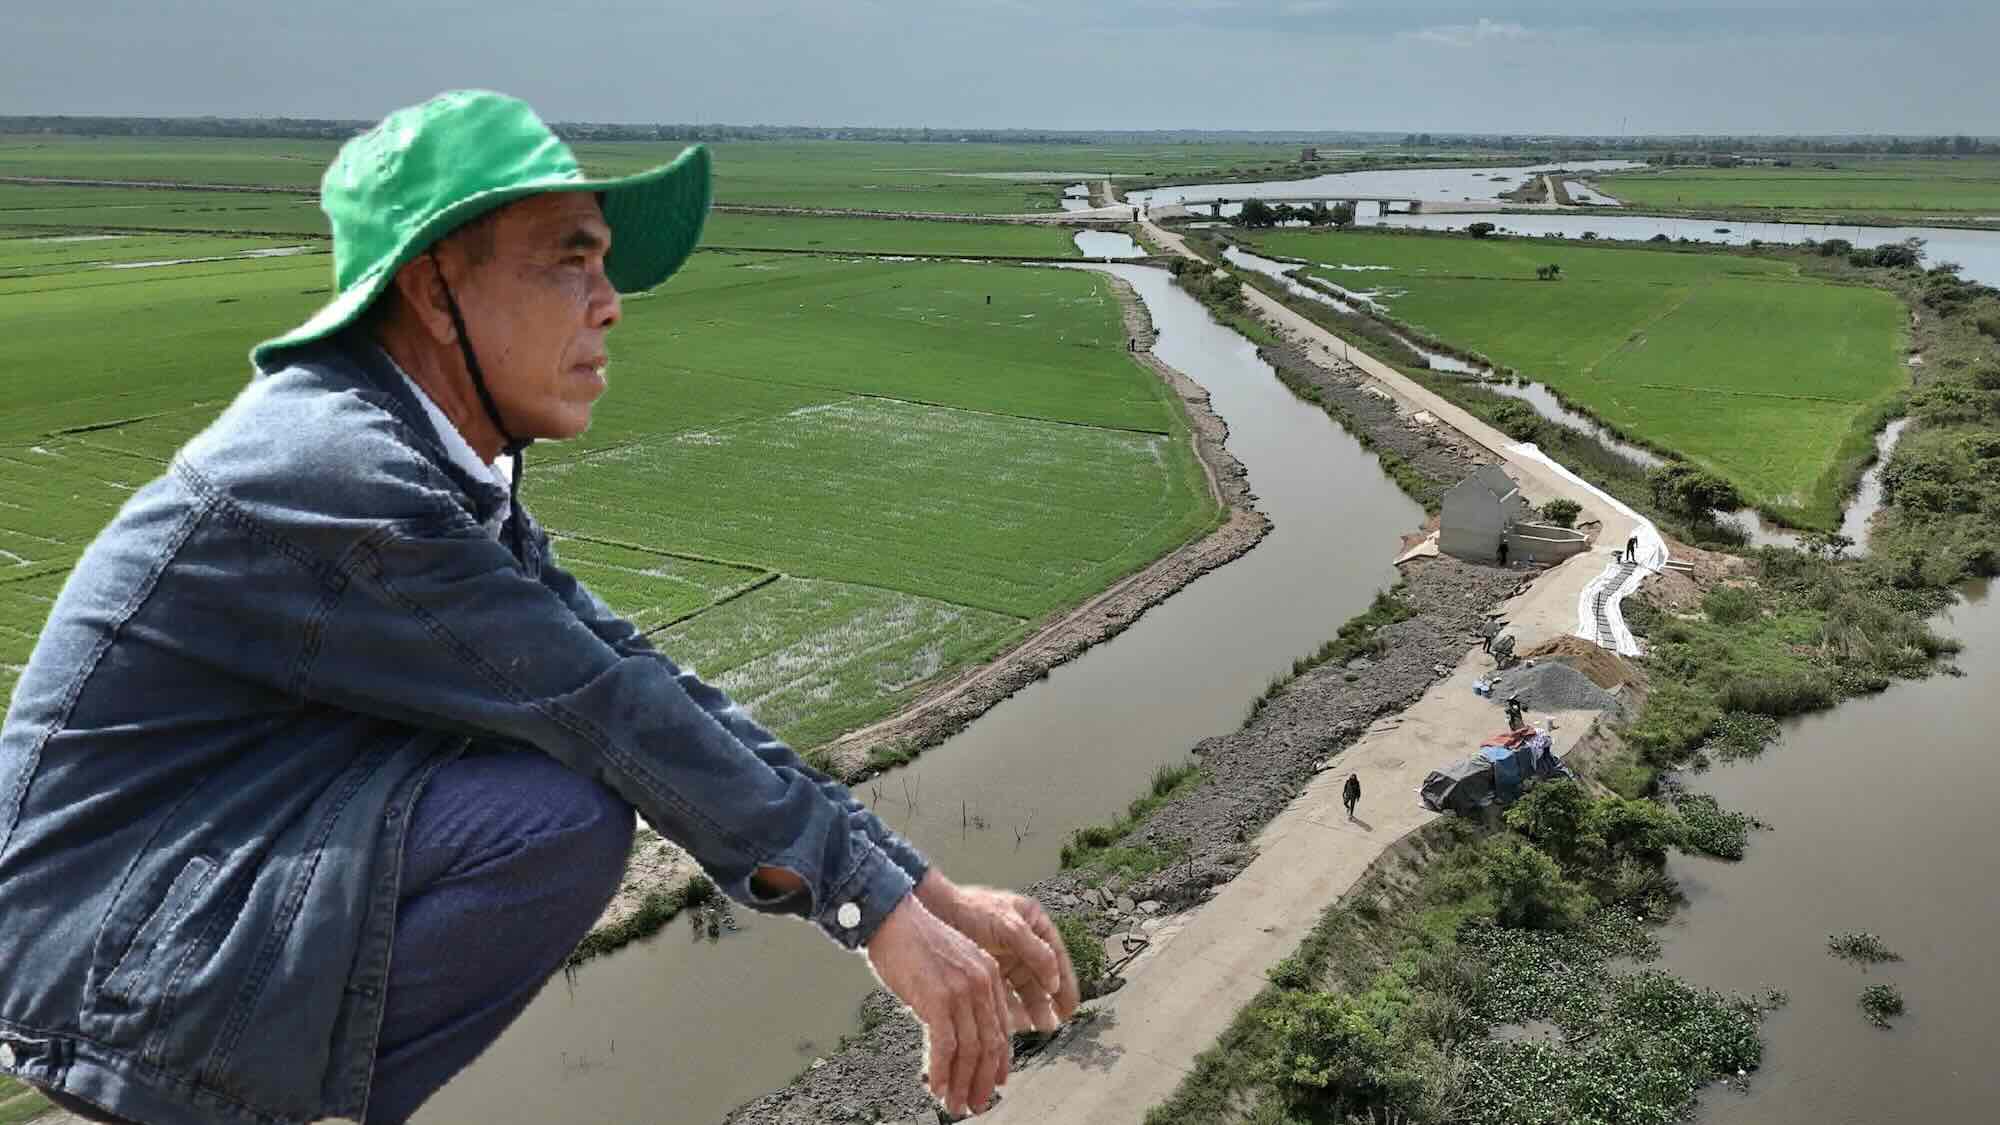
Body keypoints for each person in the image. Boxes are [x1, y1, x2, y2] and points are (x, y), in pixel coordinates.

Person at [0, 92, 1074, 1125]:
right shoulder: (345, 478)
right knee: (553, 817)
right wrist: (873, 918)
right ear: (433, 292)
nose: (609, 303)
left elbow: (642, 681)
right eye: (570, 260)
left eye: (604, 267)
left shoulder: (416, 462)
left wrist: (920, 892)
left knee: (556, 789)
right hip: (98, 955)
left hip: (175, 892)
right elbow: (606, 713)